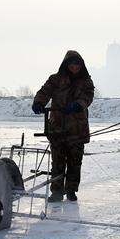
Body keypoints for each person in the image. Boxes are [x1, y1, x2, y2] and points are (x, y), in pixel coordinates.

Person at [32, 50, 95, 202]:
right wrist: (38, 102)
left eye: (77, 64)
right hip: (57, 128)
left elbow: (88, 98)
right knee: (58, 162)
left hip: (77, 129)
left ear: (81, 66)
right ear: (66, 65)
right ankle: (57, 192)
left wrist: (77, 105)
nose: (75, 67)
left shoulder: (86, 81)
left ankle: (71, 190)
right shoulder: (55, 79)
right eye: (72, 64)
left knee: (75, 162)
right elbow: (44, 91)